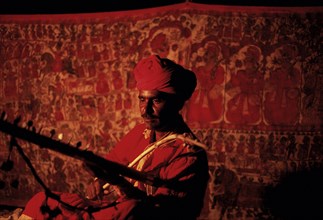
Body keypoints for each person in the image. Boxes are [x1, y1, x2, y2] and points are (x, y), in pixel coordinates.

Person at [18, 54, 209, 220]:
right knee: (44, 201)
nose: (145, 110)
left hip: (137, 216)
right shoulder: (140, 133)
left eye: (156, 100)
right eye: (142, 99)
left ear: (176, 104)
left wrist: (119, 183)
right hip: (119, 211)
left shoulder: (187, 154)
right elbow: (112, 163)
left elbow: (159, 213)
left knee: (130, 209)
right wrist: (99, 181)